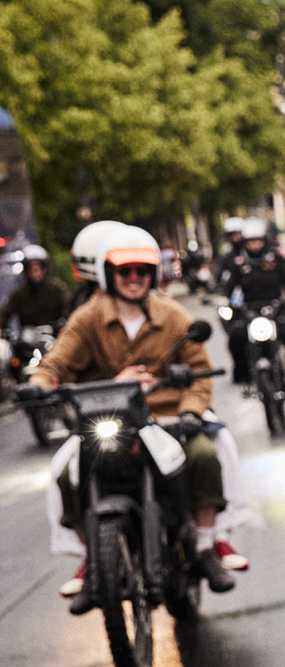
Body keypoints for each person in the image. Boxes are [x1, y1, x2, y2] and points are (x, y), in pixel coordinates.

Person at [29, 224, 236, 611]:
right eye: (125, 271)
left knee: (206, 455)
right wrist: (39, 383)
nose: (134, 278)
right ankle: (95, 561)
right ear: (109, 275)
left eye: (142, 270)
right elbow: (56, 363)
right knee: (64, 475)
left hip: (170, 419)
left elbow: (199, 374)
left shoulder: (174, 315)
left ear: (153, 272)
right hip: (108, 420)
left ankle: (206, 546)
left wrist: (190, 412)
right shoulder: (87, 318)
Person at [216, 217, 285, 393]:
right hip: (249, 310)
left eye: (257, 241)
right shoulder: (239, 263)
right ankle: (244, 379)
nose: (254, 245)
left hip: (276, 307)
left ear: (264, 240)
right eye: (250, 241)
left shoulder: (276, 258)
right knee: (236, 337)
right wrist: (223, 298)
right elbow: (229, 286)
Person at [0, 245, 69, 331]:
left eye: (39, 266)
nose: (35, 271)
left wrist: (63, 326)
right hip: (27, 340)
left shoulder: (57, 289)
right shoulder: (19, 293)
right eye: (31, 267)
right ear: (26, 269)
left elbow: (70, 310)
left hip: (54, 338)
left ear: (44, 268)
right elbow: (4, 314)